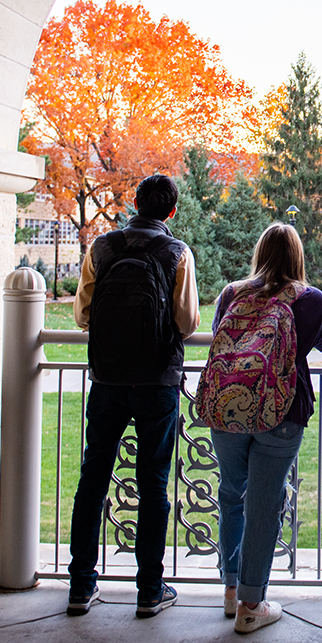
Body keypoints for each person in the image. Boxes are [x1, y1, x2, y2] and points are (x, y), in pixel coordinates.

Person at [67, 174, 200, 618]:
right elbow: (187, 322)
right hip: (156, 382)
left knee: (93, 479)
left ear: (136, 203)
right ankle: (149, 589)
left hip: (106, 379)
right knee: (153, 484)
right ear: (171, 212)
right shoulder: (177, 253)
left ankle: (81, 586)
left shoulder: (101, 248)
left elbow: (84, 314)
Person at [211, 223, 322, 633]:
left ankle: (231, 591)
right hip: (281, 411)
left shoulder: (232, 293)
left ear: (259, 252)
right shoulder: (311, 300)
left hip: (228, 408)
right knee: (264, 505)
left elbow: (219, 336)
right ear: (298, 257)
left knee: (232, 494)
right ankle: (251, 603)